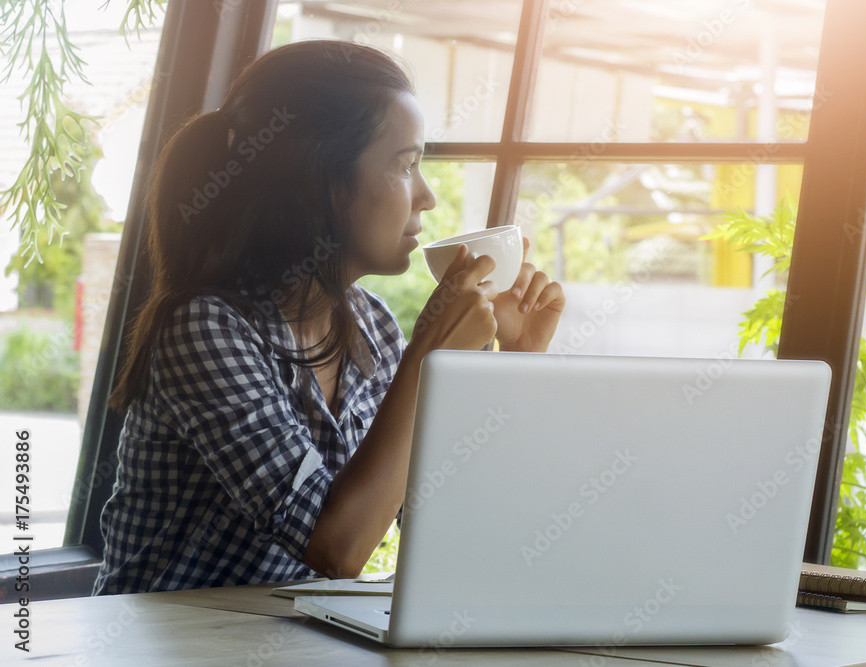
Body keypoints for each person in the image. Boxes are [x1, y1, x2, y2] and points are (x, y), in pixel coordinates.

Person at [93, 40, 564, 595]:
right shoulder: (203, 329)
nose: (428, 197)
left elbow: (453, 532)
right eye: (406, 165)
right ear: (321, 180)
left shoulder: (375, 329)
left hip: (286, 643)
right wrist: (430, 355)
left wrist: (518, 364)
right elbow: (335, 546)